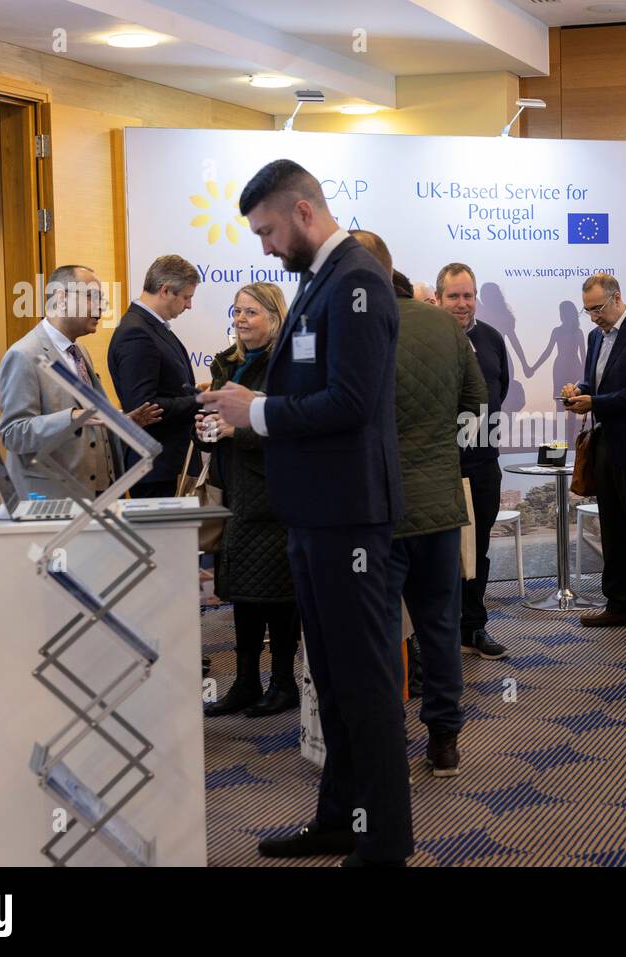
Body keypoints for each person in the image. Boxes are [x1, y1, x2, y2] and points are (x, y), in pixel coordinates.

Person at [200, 159, 411, 867]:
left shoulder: (355, 280)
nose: (262, 247)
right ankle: (341, 820)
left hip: (348, 517)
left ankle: (383, 842)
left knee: (364, 684)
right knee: (336, 680)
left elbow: (350, 404)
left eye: (266, 230)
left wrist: (253, 410)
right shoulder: (324, 279)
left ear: (302, 211)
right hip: (318, 515)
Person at [355, 231, 487, 777]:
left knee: (379, 630)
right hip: (437, 504)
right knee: (440, 625)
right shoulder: (443, 326)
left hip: (374, 509)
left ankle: (384, 745)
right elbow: (476, 404)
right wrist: (440, 453)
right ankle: (444, 740)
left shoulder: (349, 326)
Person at [196, 283, 301, 718]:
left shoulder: (290, 365)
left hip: (275, 495)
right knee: (242, 592)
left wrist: (234, 432)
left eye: (251, 313)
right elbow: (217, 420)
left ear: (275, 318)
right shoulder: (228, 363)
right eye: (237, 311)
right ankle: (244, 681)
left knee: (278, 594)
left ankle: (282, 683)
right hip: (235, 493)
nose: (240, 319)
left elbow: (292, 426)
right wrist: (204, 428)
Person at [0, 264, 162, 498]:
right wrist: (71, 417)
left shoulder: (80, 351)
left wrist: (122, 423)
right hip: (54, 500)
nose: (101, 307)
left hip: (99, 495)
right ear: (61, 298)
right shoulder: (24, 355)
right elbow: (13, 434)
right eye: (92, 297)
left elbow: (91, 423)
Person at [562, 274, 626, 638]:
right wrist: (580, 391)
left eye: (598, 309)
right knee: (613, 529)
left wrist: (597, 401)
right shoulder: (595, 337)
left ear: (617, 298)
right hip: (604, 444)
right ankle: (620, 604)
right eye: (587, 310)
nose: (593, 317)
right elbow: (596, 381)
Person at [439, 262, 509, 660]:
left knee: (477, 549)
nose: (462, 304)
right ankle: (440, 631)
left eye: (468, 295)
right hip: (441, 466)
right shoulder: (428, 340)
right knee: (443, 553)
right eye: (454, 296)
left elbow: (500, 392)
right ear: (438, 298)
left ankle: (474, 625)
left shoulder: (493, 339)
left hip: (484, 463)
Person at [108, 255, 201, 498]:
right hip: (156, 466)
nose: (189, 306)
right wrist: (200, 401)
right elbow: (144, 408)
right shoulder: (137, 333)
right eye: (187, 297)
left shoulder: (150, 327)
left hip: (166, 464)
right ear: (166, 290)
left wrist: (195, 393)